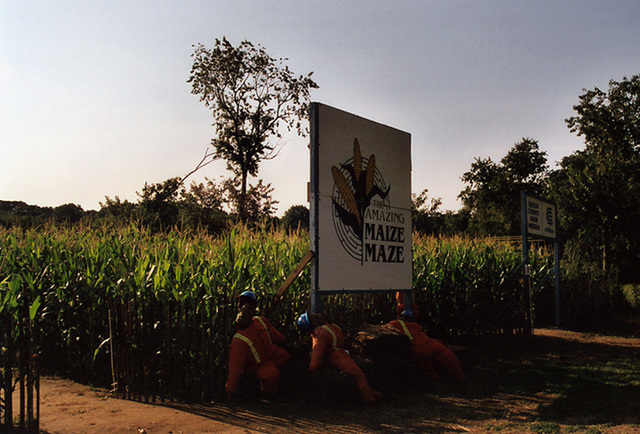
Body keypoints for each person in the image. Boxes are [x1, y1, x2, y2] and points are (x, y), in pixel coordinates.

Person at [297, 311, 383, 404]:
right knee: (359, 376)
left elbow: (314, 365)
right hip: (343, 353)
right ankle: (375, 396)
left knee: (358, 377)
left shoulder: (320, 333)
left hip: (335, 357)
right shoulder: (334, 327)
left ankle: (370, 400)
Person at [225, 295, 290, 399]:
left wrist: (229, 392)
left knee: (271, 374)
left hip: (261, 365)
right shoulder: (261, 321)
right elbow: (280, 338)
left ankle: (268, 399)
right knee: (279, 365)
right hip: (270, 359)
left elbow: (234, 371)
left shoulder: (239, 340)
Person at [385, 309, 466, 381]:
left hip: (419, 348)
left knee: (427, 369)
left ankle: (437, 380)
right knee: (449, 358)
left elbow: (386, 327)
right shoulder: (416, 326)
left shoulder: (397, 323)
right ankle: (460, 376)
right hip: (430, 344)